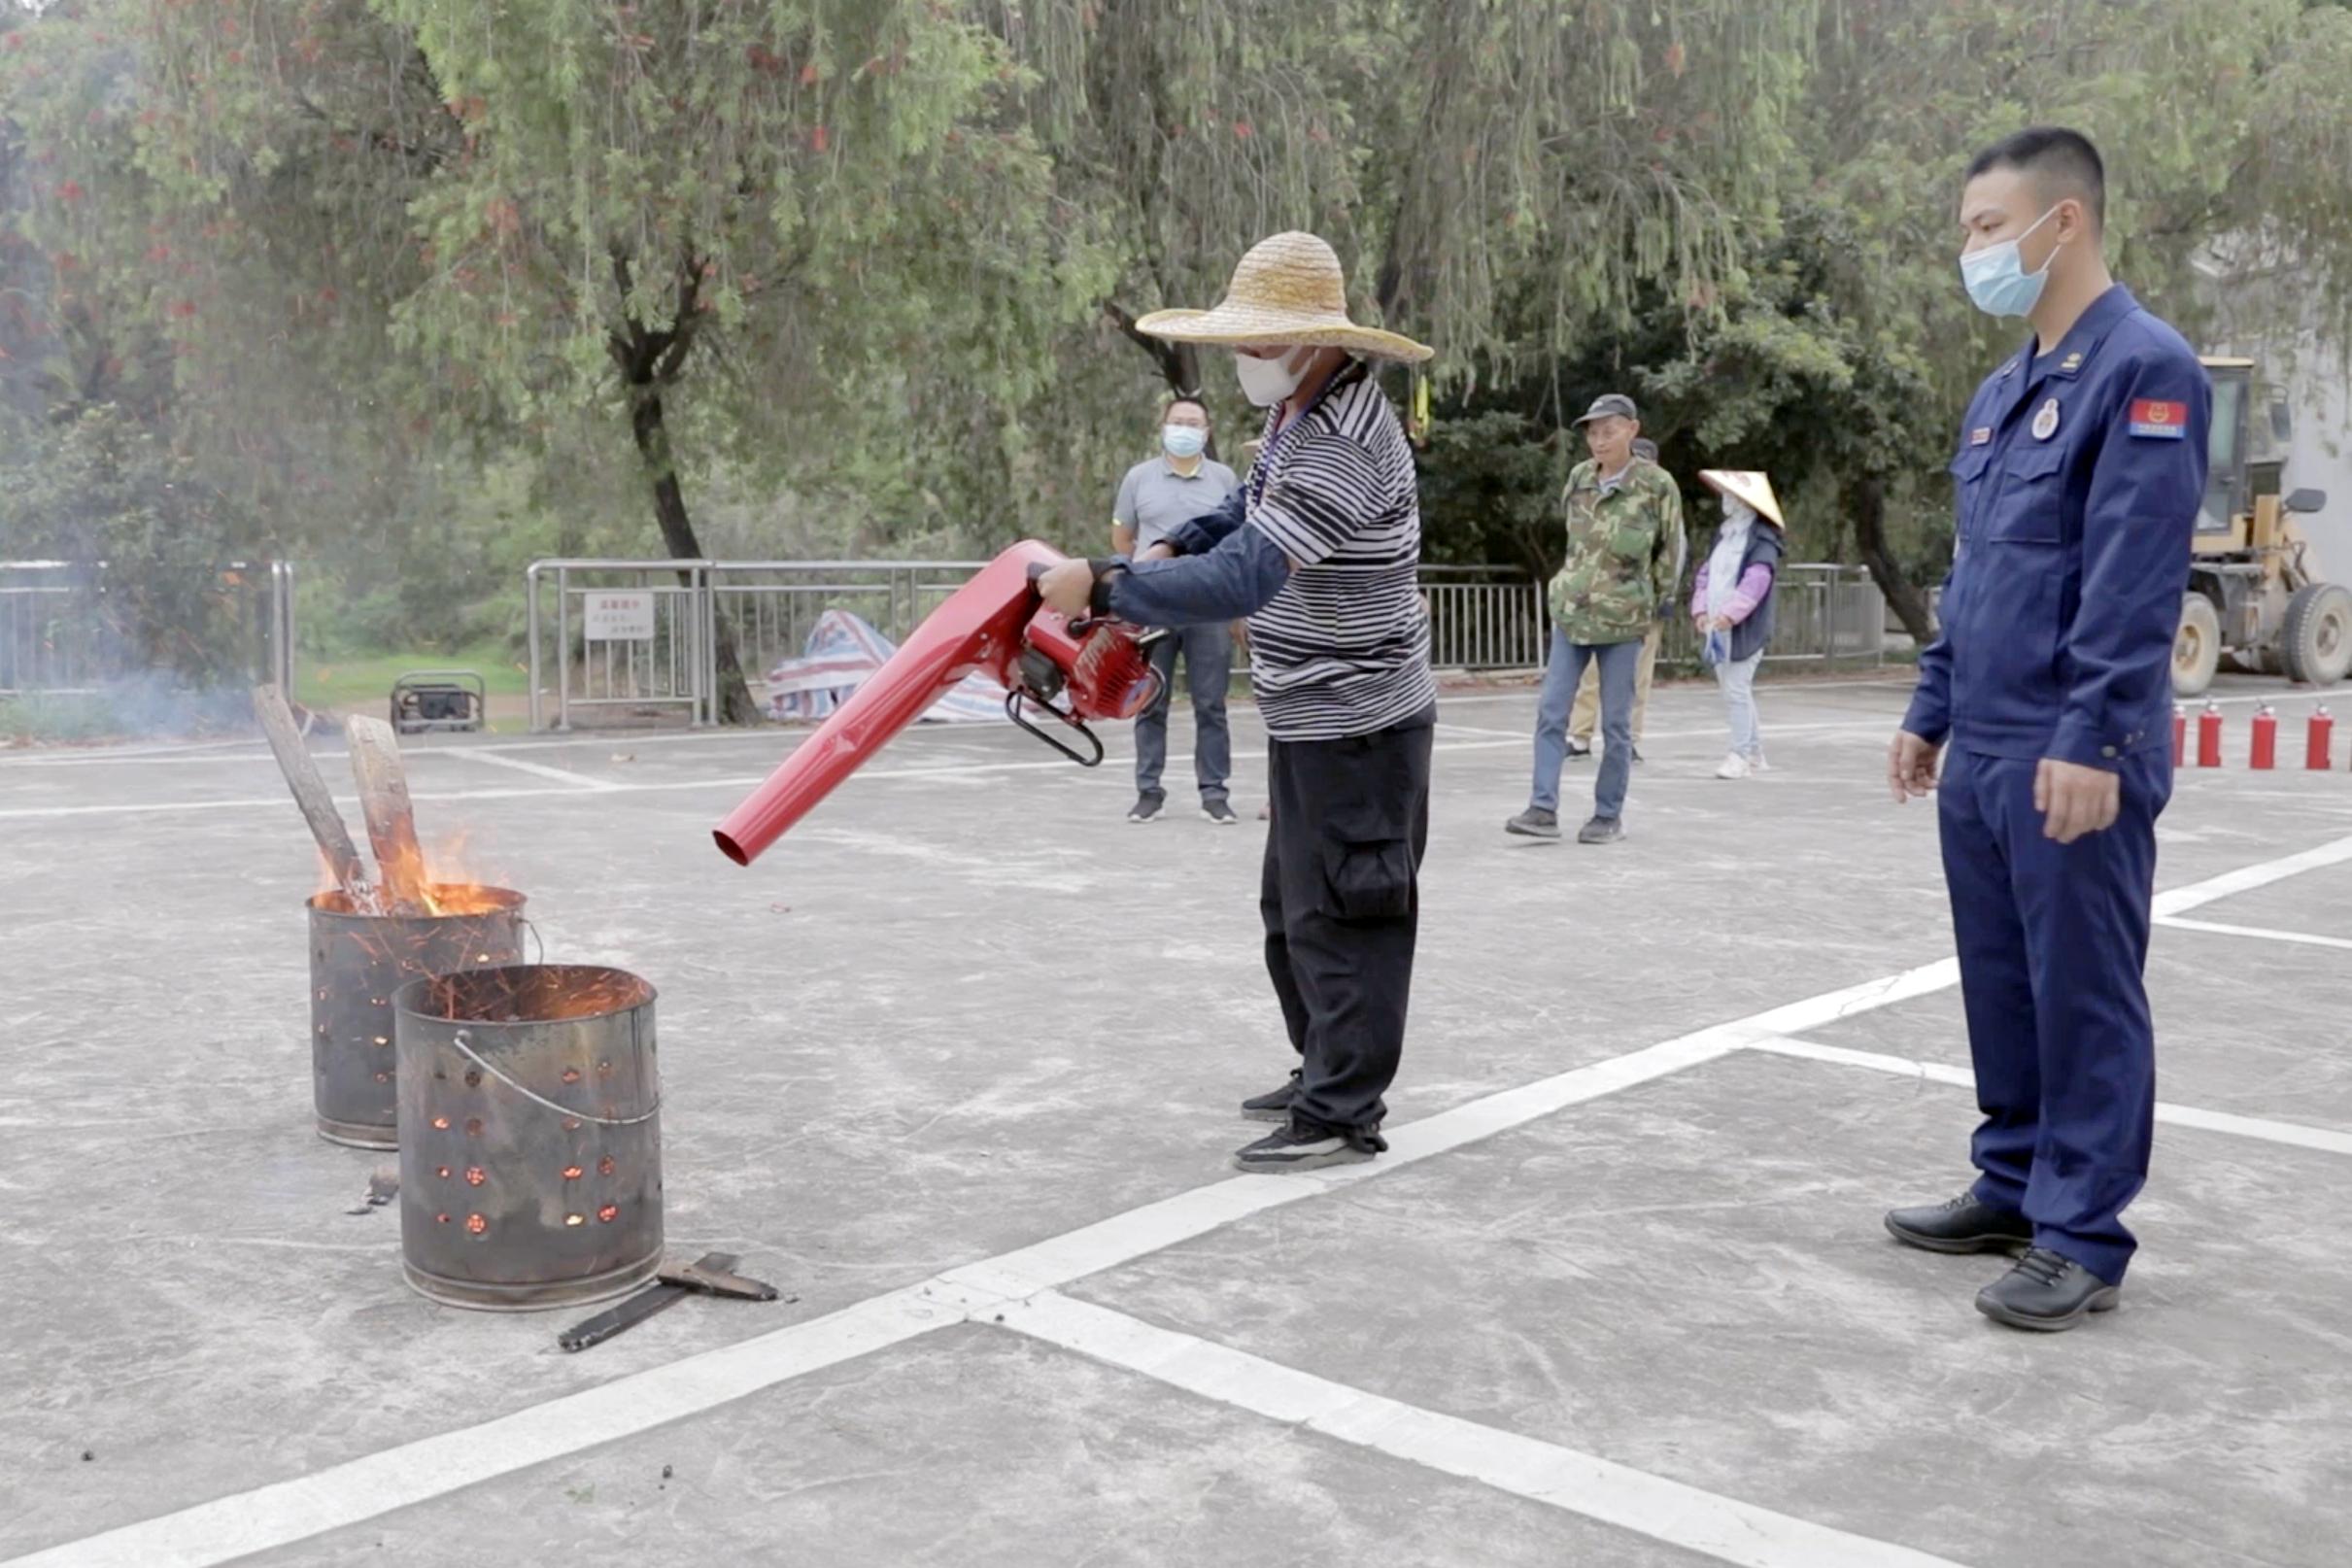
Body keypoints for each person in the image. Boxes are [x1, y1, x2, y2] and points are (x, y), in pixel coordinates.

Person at [1884, 127, 2211, 1332]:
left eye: (1985, 226)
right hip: (1986, 740)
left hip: (2072, 746)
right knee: (2004, 981)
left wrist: (2093, 740)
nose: (1970, 250)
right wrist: (1931, 709)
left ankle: (2082, 1232)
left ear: (2060, 222)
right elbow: (1974, 573)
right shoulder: (2005, 389)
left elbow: (2132, 580)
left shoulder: (2148, 368)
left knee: (2083, 991)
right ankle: (2015, 1182)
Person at [1036, 231, 1436, 1176]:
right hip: (1308, 710)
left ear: (1313, 339)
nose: (1245, 359)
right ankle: (1321, 1068)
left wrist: (1105, 586)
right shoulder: (1300, 415)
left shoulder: (1343, 442)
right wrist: (1173, 546)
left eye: (1259, 342)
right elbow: (1244, 519)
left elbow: (1250, 576)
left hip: (1360, 719)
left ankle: (1344, 1111)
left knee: (1349, 914)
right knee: (1293, 909)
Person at [1508, 393, 1684, 844]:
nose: (1598, 440)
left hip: (1624, 621)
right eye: (1592, 431)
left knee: (1616, 725)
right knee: (1552, 713)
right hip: (1572, 615)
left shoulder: (1657, 485)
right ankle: (1542, 808)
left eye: (1608, 430)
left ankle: (1608, 815)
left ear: (1632, 430)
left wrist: (1659, 604)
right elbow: (1574, 544)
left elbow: (1668, 551)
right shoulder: (1580, 477)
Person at [1110, 397, 1242, 825]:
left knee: (1211, 704)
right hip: (1156, 605)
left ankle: (1215, 794)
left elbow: (1241, 541)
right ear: (1163, 426)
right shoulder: (1139, 478)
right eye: (1178, 422)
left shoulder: (1224, 478)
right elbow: (1123, 539)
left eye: (1194, 423)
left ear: (1206, 431)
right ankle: (1149, 792)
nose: (1185, 429)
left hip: (1211, 605)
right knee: (1150, 700)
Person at [1565, 435, 1671, 763]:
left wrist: (1663, 596)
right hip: (1600, 604)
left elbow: (1673, 554)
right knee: (1591, 674)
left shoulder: (1662, 505)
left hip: (1644, 605)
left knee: (1638, 678)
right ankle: (1580, 736)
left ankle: (1629, 739)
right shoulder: (1604, 500)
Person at [1688, 470, 1786, 780]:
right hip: (1717, 627)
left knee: (1736, 689)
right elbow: (1706, 574)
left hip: (1744, 628)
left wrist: (1730, 614)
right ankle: (1754, 751)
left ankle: (1740, 754)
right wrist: (1701, 609)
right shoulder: (1724, 534)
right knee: (1734, 689)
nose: (1726, 502)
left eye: (1734, 496)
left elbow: (1756, 582)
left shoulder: (1763, 541)